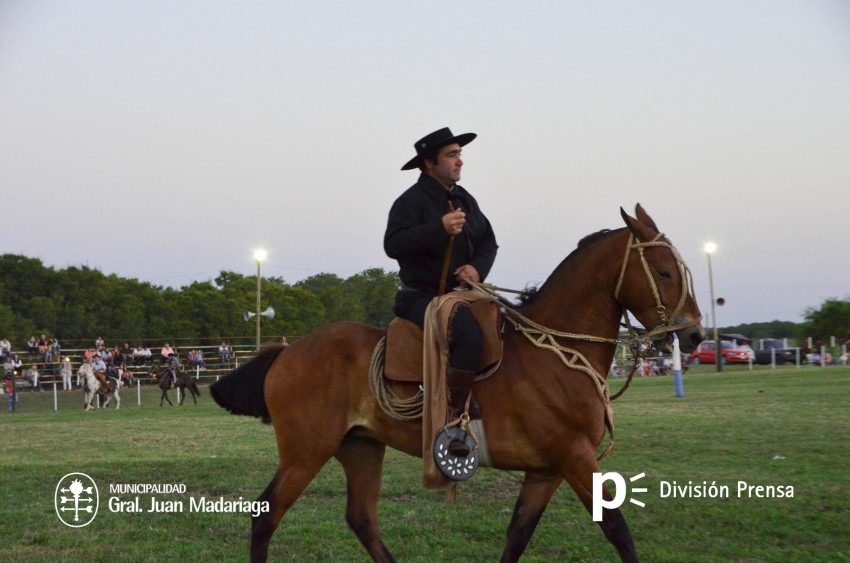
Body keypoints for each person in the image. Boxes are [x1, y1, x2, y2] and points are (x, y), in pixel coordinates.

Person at [384, 127, 498, 457]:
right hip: (422, 297)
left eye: (459, 154)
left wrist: (476, 268)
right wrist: (439, 229)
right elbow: (393, 244)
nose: (460, 161)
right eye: (451, 155)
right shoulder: (409, 202)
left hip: (464, 293)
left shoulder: (465, 200)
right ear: (429, 163)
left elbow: (488, 241)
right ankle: (453, 420)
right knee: (468, 334)